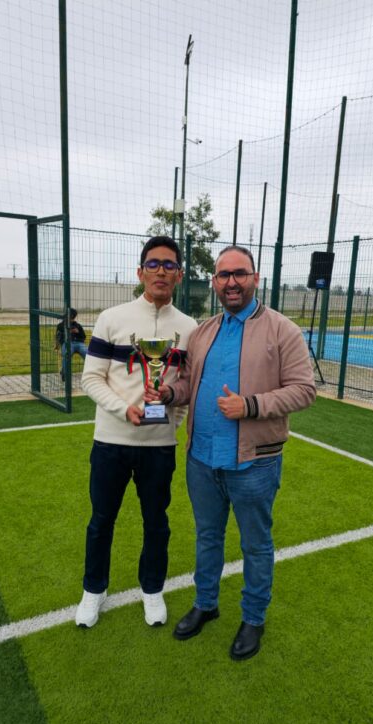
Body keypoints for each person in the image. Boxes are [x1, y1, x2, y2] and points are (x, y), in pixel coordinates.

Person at [146, 246, 316, 661]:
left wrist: (251, 405)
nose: (231, 282)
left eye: (239, 274)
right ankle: (206, 604)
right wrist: (168, 393)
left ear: (255, 278)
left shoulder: (282, 330)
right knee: (207, 537)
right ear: (214, 283)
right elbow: (188, 383)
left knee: (256, 545)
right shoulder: (203, 331)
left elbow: (304, 390)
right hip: (202, 460)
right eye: (223, 275)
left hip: (254, 462)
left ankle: (253, 618)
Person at [75, 235, 197, 629]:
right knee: (101, 521)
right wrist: (122, 409)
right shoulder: (112, 318)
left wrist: (171, 425)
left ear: (179, 275)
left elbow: (186, 387)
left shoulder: (189, 328)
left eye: (169, 265)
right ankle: (94, 590)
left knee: (156, 522)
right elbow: (91, 378)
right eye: (153, 264)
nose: (161, 271)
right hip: (111, 442)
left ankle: (152, 589)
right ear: (140, 271)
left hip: (159, 448)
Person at [55, 308, 87, 382]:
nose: (72, 319)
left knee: (87, 354)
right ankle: (64, 373)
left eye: (73, 318)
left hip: (79, 343)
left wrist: (78, 332)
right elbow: (58, 337)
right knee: (67, 354)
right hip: (67, 343)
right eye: (71, 317)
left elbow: (84, 336)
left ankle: (91, 373)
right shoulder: (61, 325)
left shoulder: (77, 325)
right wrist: (57, 345)